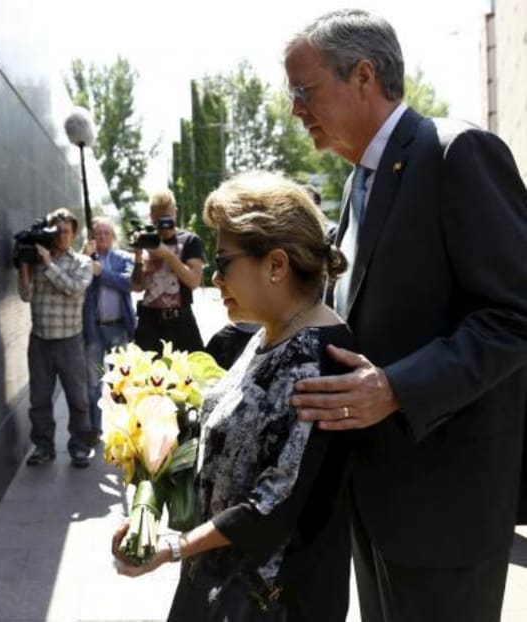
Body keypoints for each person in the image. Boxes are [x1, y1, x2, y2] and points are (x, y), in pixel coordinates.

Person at [284, 10, 527, 621]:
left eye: (303, 90)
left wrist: (395, 387)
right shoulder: (357, 185)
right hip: (378, 503)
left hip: (445, 511)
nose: (295, 109)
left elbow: (514, 314)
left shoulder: (456, 152)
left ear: (362, 76)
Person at [112, 171, 353, 622]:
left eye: (224, 263)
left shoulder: (318, 360)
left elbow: (271, 505)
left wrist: (172, 548)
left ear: (276, 265)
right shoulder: (265, 333)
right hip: (221, 585)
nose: (215, 278)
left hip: (270, 602)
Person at [17, 208, 95, 468]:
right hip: (39, 340)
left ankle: (80, 447)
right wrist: (25, 266)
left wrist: (48, 264)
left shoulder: (82, 262)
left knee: (78, 398)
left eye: (66, 231)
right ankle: (43, 447)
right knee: (39, 399)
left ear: (73, 234)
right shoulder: (38, 260)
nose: (61, 236)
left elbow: (73, 289)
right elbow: (25, 295)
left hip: (69, 341)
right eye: (57, 231)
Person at [82, 216, 137, 444]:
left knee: (119, 382)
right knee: (93, 383)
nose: (102, 236)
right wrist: (86, 261)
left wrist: (101, 272)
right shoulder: (84, 260)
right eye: (97, 234)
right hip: (93, 329)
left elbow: (128, 283)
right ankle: (95, 429)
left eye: (106, 233)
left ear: (113, 237)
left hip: (118, 328)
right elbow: (77, 284)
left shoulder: (124, 258)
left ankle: (120, 428)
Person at [132, 189, 205, 353]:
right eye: (160, 219)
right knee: (146, 376)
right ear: (151, 216)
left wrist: (166, 254)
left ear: (175, 212)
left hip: (179, 320)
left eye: (168, 217)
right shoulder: (146, 239)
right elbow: (137, 286)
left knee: (189, 375)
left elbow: (194, 281)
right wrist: (138, 255)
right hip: (149, 322)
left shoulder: (189, 240)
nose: (164, 224)